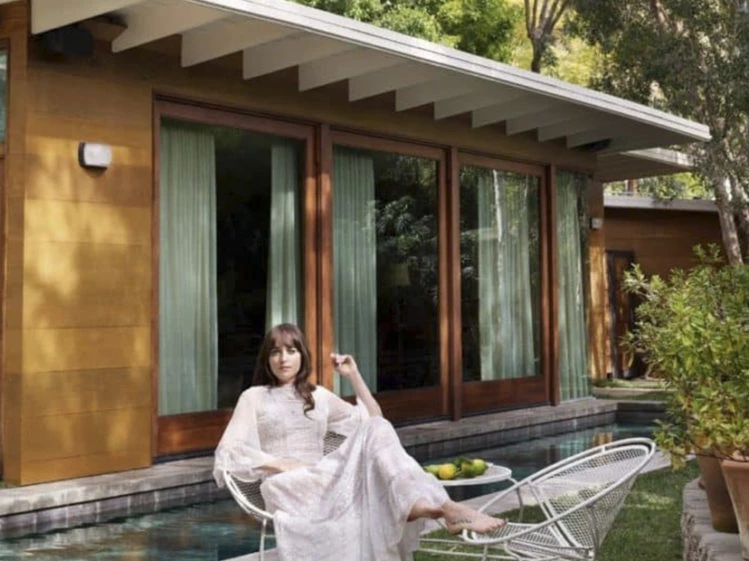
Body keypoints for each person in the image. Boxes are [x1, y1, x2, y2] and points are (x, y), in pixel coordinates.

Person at [213, 323, 505, 561]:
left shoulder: (318, 396)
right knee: (373, 470)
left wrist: (354, 376)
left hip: (325, 477)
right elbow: (230, 451)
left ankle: (440, 508)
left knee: (376, 428)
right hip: (286, 485)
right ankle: (440, 507)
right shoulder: (254, 397)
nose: (283, 359)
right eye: (275, 352)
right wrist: (281, 464)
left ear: (303, 356)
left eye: (291, 350)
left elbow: (375, 421)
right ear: (267, 359)